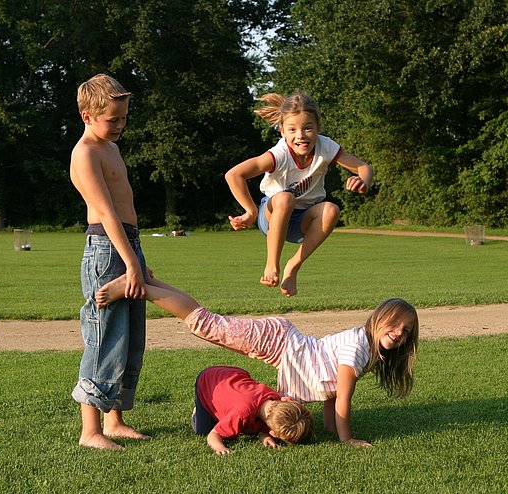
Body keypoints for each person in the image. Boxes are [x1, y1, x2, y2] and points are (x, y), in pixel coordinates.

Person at [96, 276, 419, 447]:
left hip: (282, 341)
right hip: (279, 342)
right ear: (378, 319)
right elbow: (343, 400)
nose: (399, 334)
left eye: (405, 332)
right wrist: (347, 439)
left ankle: (154, 282)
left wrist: (331, 430)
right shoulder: (358, 349)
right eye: (395, 324)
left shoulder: (365, 346)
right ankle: (137, 288)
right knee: (206, 324)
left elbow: (331, 393)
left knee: (211, 322)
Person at [69, 73, 152, 450]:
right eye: (112, 119)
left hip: (126, 244)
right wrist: (130, 262)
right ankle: (91, 431)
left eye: (123, 118)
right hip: (107, 250)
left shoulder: (111, 148)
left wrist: (138, 260)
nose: (120, 125)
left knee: (130, 337)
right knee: (104, 336)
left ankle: (114, 420)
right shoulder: (85, 153)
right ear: (87, 115)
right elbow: (105, 212)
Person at [225, 92, 375, 297]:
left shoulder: (326, 147)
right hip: (270, 216)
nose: (301, 135)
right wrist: (250, 211)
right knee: (286, 198)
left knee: (331, 209)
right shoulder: (279, 155)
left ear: (318, 129)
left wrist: (363, 181)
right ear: (282, 131)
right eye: (292, 130)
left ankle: (293, 266)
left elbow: (363, 167)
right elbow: (234, 174)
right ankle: (272, 265)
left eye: (308, 128)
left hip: (301, 221)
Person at [192, 365, 315, 455]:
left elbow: (262, 427)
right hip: (208, 381)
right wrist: (220, 447)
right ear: (274, 432)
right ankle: (197, 411)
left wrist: (265, 437)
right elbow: (213, 434)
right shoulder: (242, 414)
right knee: (203, 430)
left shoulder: (274, 400)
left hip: (234, 374)